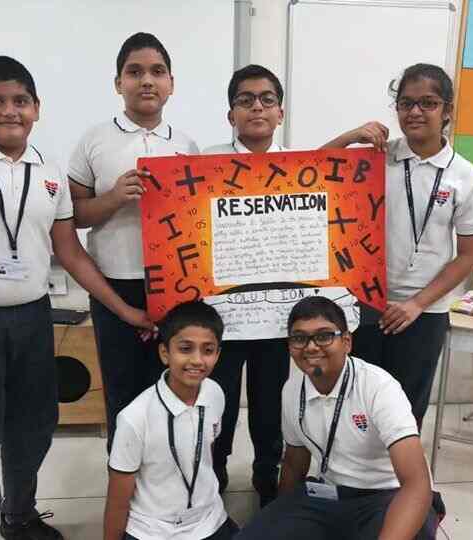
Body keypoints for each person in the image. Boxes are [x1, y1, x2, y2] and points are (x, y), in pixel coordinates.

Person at [0, 55, 153, 540]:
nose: (9, 111)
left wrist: (124, 310)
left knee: (35, 428)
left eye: (20, 100)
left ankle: (19, 517)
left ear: (37, 107)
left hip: (33, 320)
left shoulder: (49, 172)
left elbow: (71, 253)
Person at [322, 63, 473, 429]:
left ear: (447, 110)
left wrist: (417, 304)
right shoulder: (376, 158)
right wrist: (350, 136)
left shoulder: (465, 177)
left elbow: (469, 256)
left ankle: (398, 467)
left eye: (428, 103)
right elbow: (307, 171)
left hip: (423, 312)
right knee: (356, 402)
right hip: (365, 303)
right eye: (406, 103)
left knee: (406, 410)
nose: (415, 112)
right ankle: (355, 464)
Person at [68, 33, 200, 451]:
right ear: (118, 83)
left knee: (174, 388)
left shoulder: (186, 145)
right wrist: (112, 199)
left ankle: (170, 472)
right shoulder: (94, 140)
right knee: (123, 391)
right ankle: (124, 477)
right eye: (134, 72)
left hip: (176, 286)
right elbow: (71, 216)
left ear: (171, 84)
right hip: (116, 284)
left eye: (157, 72)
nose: (146, 81)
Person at [235, 296, 436, 540]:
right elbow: (294, 463)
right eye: (299, 338)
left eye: (324, 336)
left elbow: (416, 484)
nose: (311, 347)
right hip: (329, 494)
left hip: (387, 495)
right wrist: (282, 517)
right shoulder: (292, 389)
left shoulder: (378, 387)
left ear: (347, 342)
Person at [202, 64, 290, 506]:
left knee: (270, 401)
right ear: (230, 113)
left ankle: (266, 473)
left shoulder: (300, 166)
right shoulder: (203, 164)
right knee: (218, 397)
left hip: (278, 310)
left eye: (267, 99)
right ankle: (213, 472)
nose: (257, 107)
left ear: (280, 112)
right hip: (223, 311)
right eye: (245, 99)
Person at [104, 301, 239, 540]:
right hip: (152, 529)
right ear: (164, 353)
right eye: (185, 349)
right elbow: (117, 500)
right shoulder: (134, 418)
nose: (197, 360)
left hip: (208, 519)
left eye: (208, 350)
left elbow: (206, 450)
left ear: (218, 354)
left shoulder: (215, 392)